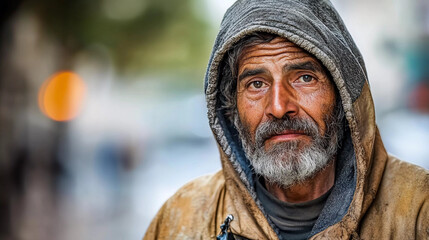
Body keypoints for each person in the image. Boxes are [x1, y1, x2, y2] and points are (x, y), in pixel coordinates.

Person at [143, 0, 429, 239]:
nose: (279, 107)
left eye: (304, 78)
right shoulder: (183, 217)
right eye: (256, 84)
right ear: (232, 108)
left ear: (343, 95)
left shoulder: (418, 208)